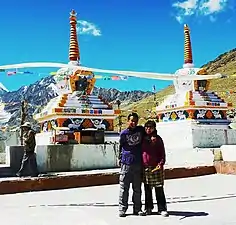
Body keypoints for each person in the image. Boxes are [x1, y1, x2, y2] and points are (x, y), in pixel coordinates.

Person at [118, 112, 146, 217]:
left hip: (138, 163)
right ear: (128, 121)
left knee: (137, 188)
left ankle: (137, 209)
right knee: (124, 188)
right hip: (126, 163)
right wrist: (120, 159)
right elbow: (120, 147)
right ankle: (122, 209)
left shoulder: (141, 130)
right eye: (131, 120)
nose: (133, 123)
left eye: (135, 121)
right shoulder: (123, 133)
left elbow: (150, 131)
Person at [142, 120, 168, 217]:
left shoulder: (158, 139)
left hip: (156, 167)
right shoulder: (143, 139)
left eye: (150, 127)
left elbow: (162, 153)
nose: (148, 129)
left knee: (159, 188)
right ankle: (148, 208)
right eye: (146, 127)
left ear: (154, 128)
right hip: (146, 167)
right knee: (147, 189)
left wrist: (161, 163)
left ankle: (162, 208)